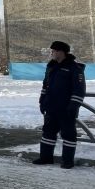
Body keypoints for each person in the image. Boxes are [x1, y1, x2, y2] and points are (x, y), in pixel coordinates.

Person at [35, 41, 86, 169]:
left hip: (66, 109)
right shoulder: (51, 67)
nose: (51, 53)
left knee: (68, 135)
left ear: (61, 52)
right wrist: (42, 102)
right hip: (51, 108)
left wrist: (73, 107)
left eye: (54, 51)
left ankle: (67, 161)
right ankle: (46, 158)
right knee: (48, 133)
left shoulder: (74, 68)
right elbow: (45, 86)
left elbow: (79, 90)